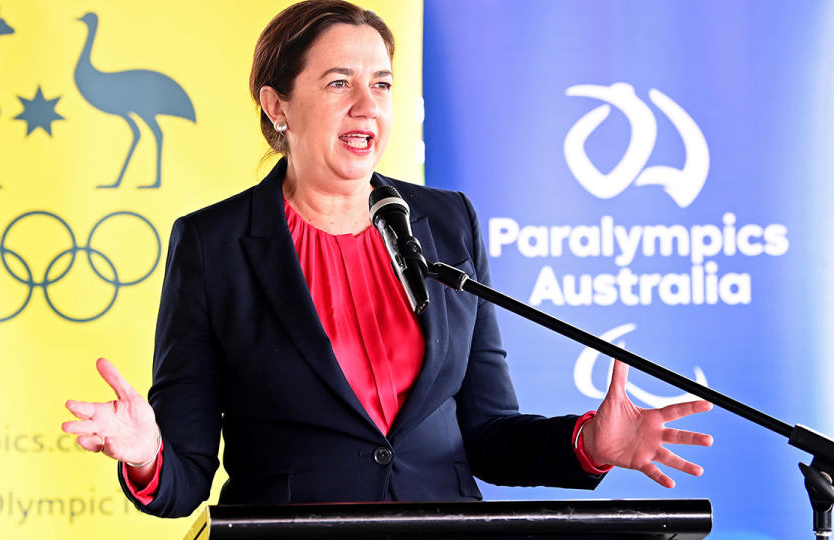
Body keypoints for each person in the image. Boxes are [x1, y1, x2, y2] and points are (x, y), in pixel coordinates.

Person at [62, 0, 713, 518]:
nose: (367, 105)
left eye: (381, 83)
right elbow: (184, 481)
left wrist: (587, 446)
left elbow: (487, 432)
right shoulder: (215, 245)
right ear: (276, 104)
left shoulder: (445, 224)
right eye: (339, 82)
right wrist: (149, 455)